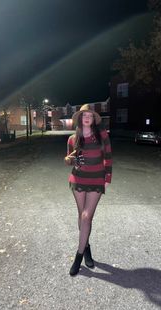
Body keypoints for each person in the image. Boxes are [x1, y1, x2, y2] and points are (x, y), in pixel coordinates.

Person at [64, 104, 112, 276]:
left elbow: (108, 157)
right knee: (81, 216)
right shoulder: (72, 138)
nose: (86, 118)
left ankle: (78, 256)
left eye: (90, 116)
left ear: (93, 120)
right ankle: (87, 248)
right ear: (79, 118)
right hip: (78, 179)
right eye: (84, 115)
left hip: (96, 179)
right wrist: (69, 159)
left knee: (86, 216)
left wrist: (108, 178)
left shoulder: (101, 135)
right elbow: (70, 159)